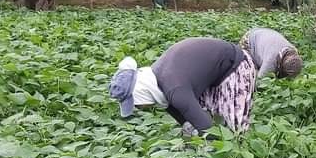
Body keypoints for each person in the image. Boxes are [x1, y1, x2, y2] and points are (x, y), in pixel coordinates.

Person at [108, 37, 257, 135]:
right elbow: (178, 113)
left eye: (137, 104)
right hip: (212, 72)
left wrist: (209, 145)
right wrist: (189, 129)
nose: (139, 108)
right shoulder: (157, 82)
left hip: (235, 66)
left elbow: (207, 129)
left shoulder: (175, 89)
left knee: (233, 131)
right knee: (210, 118)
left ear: (141, 92)